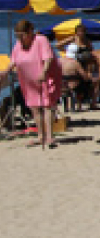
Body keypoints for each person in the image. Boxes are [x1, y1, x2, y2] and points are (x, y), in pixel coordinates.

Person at [9, 19, 64, 148]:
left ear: (29, 32)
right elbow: (14, 60)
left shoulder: (41, 40)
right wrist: (5, 71)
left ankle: (50, 137)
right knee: (34, 107)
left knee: (46, 105)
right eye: (17, 35)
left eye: (22, 35)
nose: (20, 38)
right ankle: (40, 136)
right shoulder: (18, 44)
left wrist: (44, 72)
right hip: (28, 79)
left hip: (45, 76)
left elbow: (48, 58)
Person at [60, 43, 93, 108]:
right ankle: (79, 104)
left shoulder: (59, 60)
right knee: (86, 83)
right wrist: (89, 74)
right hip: (74, 85)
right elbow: (84, 76)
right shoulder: (75, 63)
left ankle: (67, 106)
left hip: (61, 84)